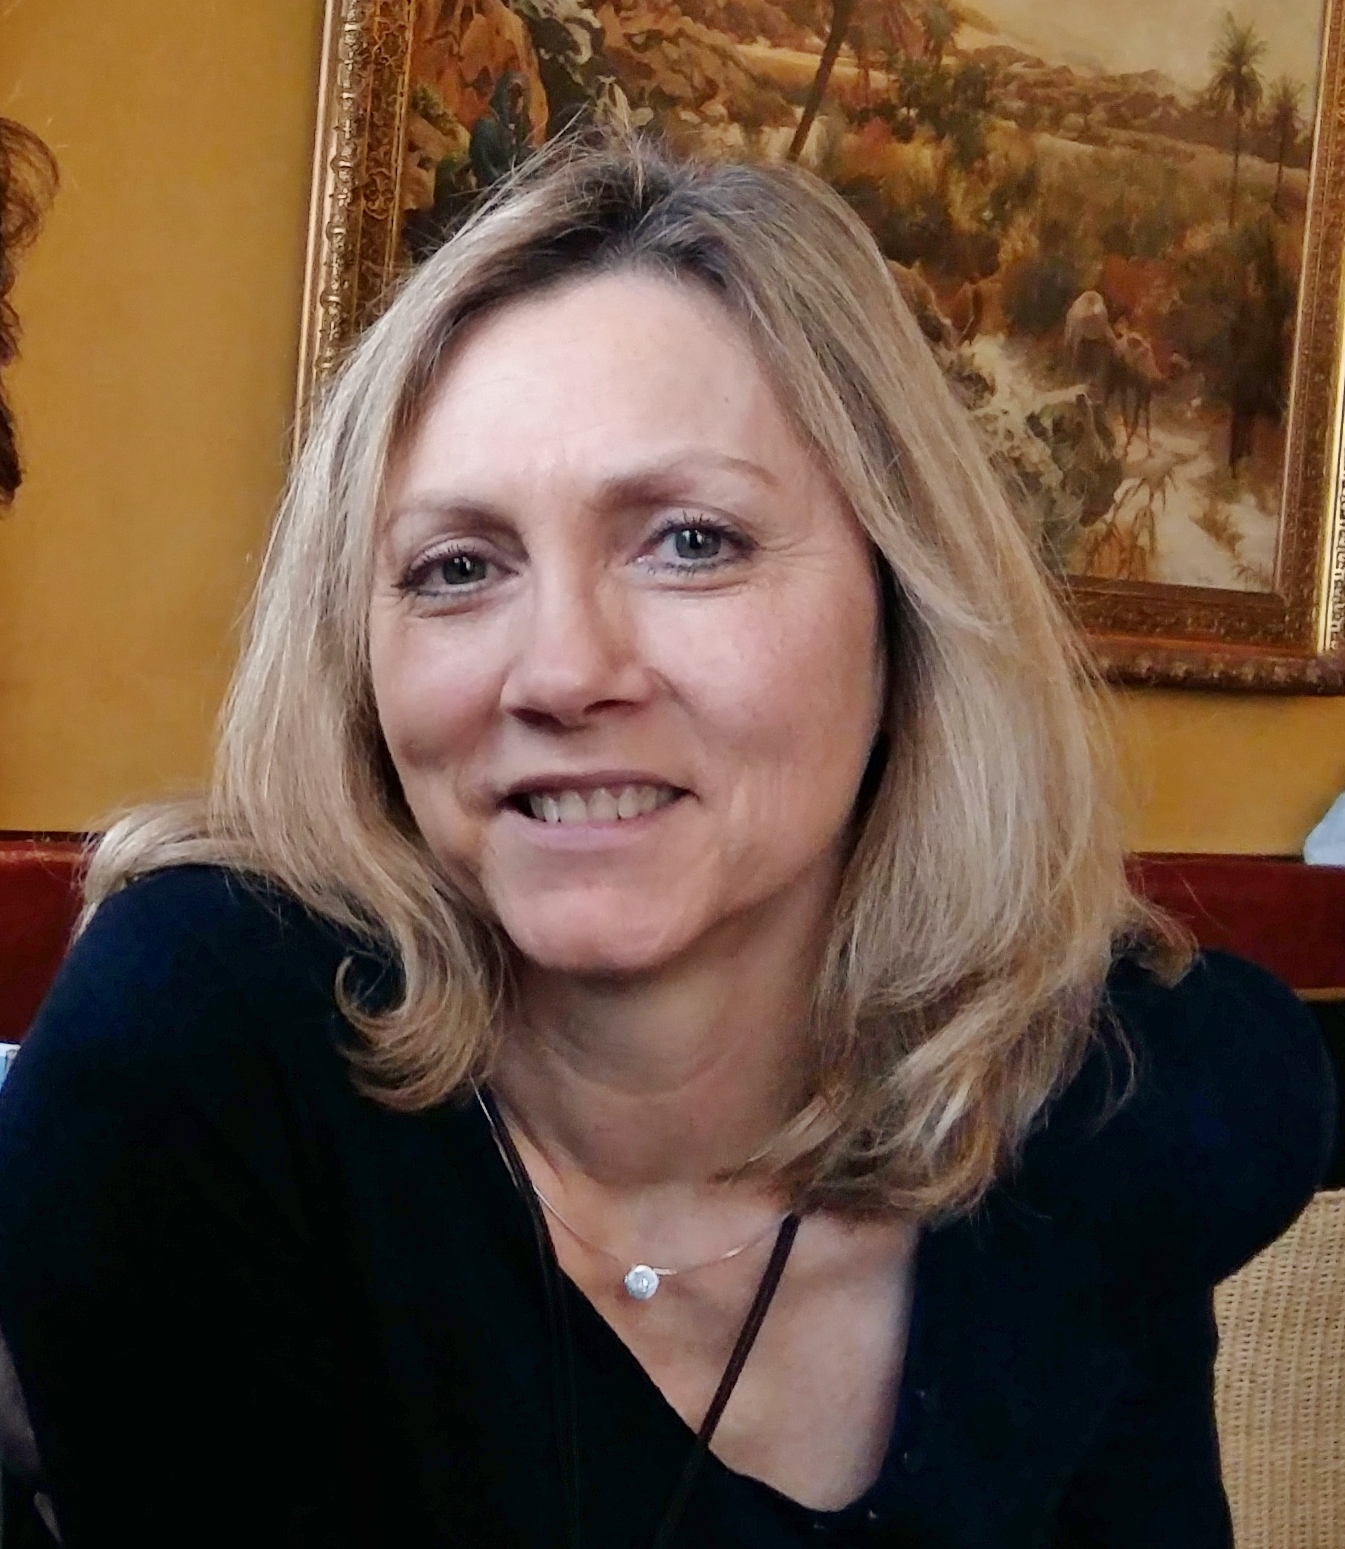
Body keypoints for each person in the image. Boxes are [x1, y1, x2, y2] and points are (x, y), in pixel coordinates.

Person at [0, 133, 1333, 1549]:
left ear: (904, 611)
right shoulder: (207, 1057)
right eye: (458, 567)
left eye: (691, 541)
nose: (563, 672)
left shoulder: (1114, 1104)